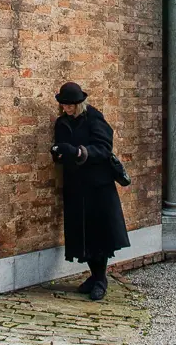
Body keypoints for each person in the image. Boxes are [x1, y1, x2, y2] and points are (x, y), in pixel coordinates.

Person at [50, 82, 130, 301]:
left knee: (99, 233)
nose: (66, 108)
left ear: (79, 103)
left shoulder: (94, 118)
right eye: (64, 105)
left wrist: (78, 152)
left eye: (70, 105)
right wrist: (58, 152)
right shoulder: (62, 122)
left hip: (98, 185)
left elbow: (104, 148)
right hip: (76, 184)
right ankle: (94, 277)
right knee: (82, 233)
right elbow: (60, 147)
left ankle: (100, 279)